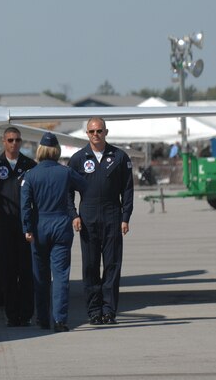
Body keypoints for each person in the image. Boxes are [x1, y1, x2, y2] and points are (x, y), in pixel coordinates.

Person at [69, 117, 134, 325]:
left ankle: (109, 310)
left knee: (112, 265)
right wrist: (74, 215)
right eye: (91, 132)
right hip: (87, 216)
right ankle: (94, 311)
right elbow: (68, 190)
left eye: (99, 131)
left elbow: (128, 189)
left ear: (106, 132)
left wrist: (125, 217)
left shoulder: (119, 157)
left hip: (112, 213)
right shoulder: (78, 159)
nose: (95, 135)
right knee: (90, 265)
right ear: (86, 134)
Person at [20, 132, 86, 332]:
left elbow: (25, 206)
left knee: (40, 276)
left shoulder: (30, 175)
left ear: (40, 151)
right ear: (56, 151)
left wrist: (27, 229)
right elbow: (85, 186)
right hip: (61, 225)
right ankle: (60, 320)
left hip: (40, 226)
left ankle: (42, 318)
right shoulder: (65, 172)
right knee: (60, 276)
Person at [0, 127, 38, 326]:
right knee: (8, 272)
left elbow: (39, 192)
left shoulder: (30, 165)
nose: (14, 143)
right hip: (5, 226)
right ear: (4, 142)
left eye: (17, 140)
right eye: (10, 140)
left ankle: (27, 314)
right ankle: (12, 315)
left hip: (26, 227)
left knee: (26, 272)